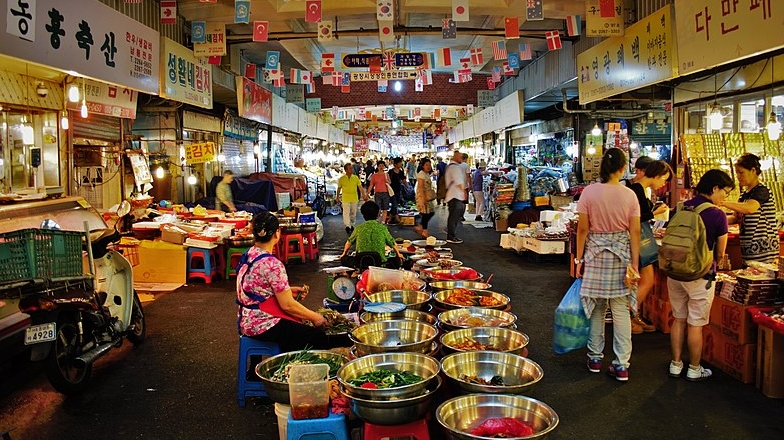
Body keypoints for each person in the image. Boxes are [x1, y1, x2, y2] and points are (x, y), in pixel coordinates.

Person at [575, 148, 640, 382]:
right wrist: (635, 264)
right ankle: (621, 365)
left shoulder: (589, 192)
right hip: (622, 256)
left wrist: (579, 259)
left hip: (594, 255)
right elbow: (634, 232)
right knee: (621, 309)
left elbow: (583, 229)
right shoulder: (630, 195)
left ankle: (594, 358)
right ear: (623, 168)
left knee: (597, 309)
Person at [668, 169, 733, 381]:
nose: (725, 197)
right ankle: (694, 368)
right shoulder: (717, 214)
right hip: (700, 275)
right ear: (714, 188)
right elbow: (721, 252)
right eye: (725, 192)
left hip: (675, 271)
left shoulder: (680, 207)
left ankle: (675, 364)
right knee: (695, 324)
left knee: (678, 319)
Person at [236, 211, 333, 353]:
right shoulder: (272, 264)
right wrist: (315, 317)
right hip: (263, 324)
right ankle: (289, 369)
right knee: (316, 336)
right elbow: (288, 306)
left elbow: (256, 288)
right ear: (277, 233)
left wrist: (286, 290)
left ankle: (257, 369)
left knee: (296, 329)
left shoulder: (249, 254)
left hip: (246, 320)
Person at [627, 160, 673, 334]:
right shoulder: (636, 189)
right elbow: (636, 217)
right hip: (637, 240)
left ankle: (632, 316)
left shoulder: (639, 189)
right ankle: (628, 316)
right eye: (663, 179)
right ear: (656, 175)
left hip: (639, 239)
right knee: (646, 280)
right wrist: (656, 212)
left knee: (641, 280)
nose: (663, 184)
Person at [722, 153, 779, 265]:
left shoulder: (762, 191)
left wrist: (722, 202)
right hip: (748, 250)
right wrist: (716, 218)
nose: (738, 176)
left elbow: (750, 208)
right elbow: (736, 217)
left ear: (753, 171)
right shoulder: (744, 194)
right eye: (737, 172)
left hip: (764, 251)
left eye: (741, 172)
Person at [339, 201, 403, 269]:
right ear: (378, 214)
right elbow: (392, 243)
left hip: (360, 263)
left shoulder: (359, 228)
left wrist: (344, 254)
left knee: (344, 259)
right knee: (397, 261)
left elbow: (349, 242)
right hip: (379, 264)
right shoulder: (382, 228)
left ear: (363, 215)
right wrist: (398, 254)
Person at [336, 162, 367, 235]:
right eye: (350, 168)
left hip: (354, 198)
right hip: (345, 198)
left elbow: (360, 187)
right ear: (346, 170)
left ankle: (352, 224)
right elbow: (339, 188)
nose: (351, 169)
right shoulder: (341, 179)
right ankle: (347, 226)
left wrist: (363, 195)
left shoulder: (355, 178)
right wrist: (337, 197)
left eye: (351, 168)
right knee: (346, 213)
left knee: (353, 213)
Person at [445, 150, 467, 244]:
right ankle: (451, 236)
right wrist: (464, 191)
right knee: (454, 216)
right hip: (454, 195)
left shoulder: (452, 167)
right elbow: (458, 182)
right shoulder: (454, 168)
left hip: (453, 195)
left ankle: (451, 235)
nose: (461, 158)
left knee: (454, 216)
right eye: (460, 156)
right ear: (456, 157)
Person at [414, 157, 437, 238]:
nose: (428, 166)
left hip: (426, 197)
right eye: (426, 165)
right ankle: (424, 231)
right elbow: (420, 188)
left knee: (429, 213)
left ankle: (421, 227)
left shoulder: (426, 174)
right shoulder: (421, 174)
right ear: (422, 166)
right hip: (422, 197)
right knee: (426, 213)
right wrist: (423, 200)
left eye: (429, 165)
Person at [388, 157, 410, 225]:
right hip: (391, 191)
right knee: (394, 204)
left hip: (398, 190)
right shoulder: (390, 172)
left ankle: (390, 218)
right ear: (395, 164)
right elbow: (388, 181)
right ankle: (397, 218)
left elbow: (403, 180)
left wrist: (408, 188)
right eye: (400, 163)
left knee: (395, 204)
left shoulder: (401, 172)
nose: (401, 164)